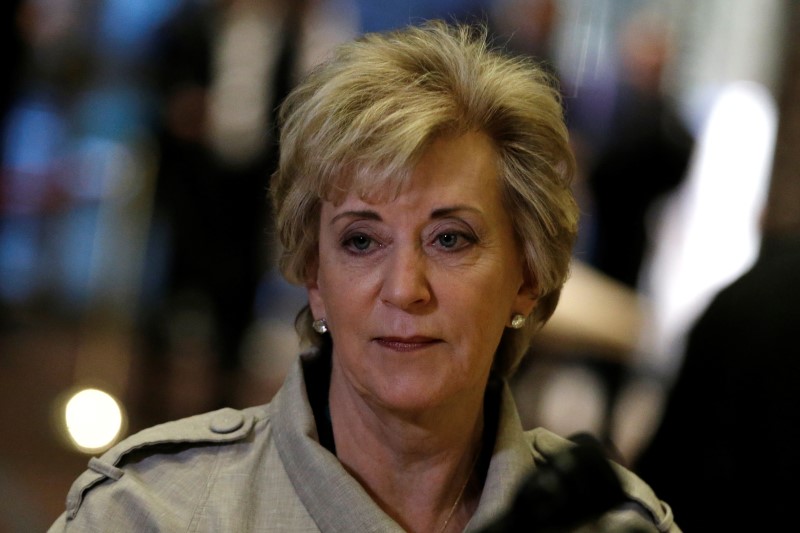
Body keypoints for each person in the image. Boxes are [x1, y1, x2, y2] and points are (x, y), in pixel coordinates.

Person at [49, 21, 679, 532]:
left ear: (528, 276)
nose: (405, 287)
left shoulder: (616, 525)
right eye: (361, 240)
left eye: (450, 238)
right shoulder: (147, 514)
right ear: (314, 277)